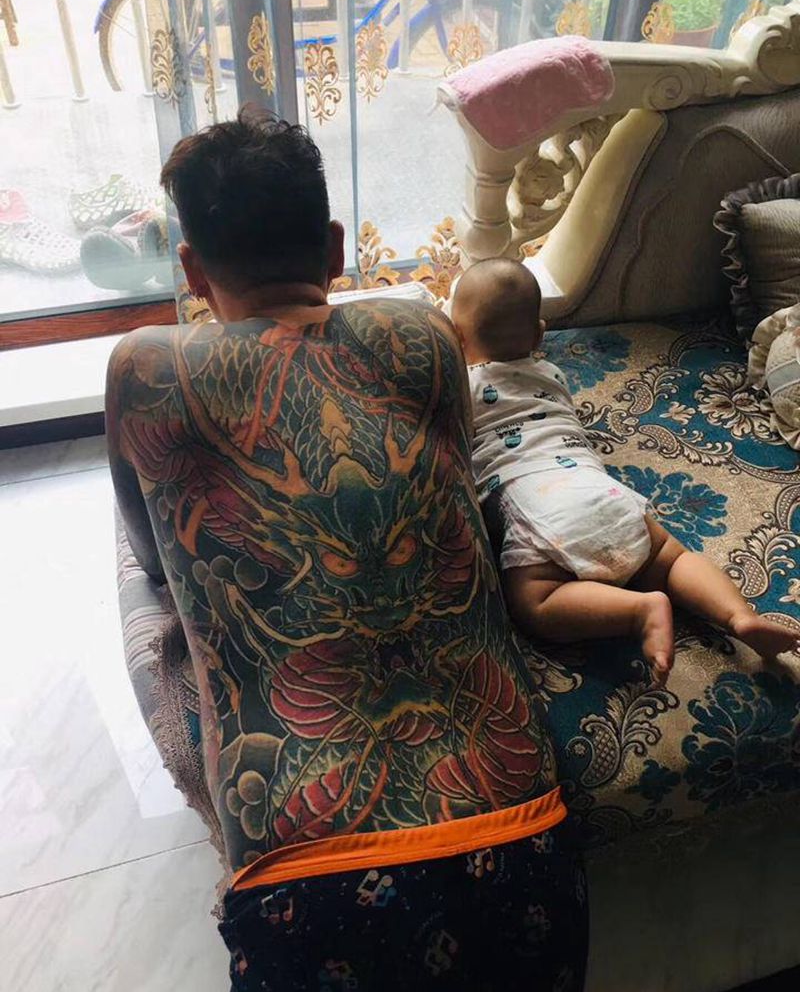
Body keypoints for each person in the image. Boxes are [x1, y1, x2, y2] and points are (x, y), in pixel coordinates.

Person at [105, 109, 588, 991]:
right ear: (334, 248)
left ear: (192, 271)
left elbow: (146, 551)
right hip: (520, 840)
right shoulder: (425, 334)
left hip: (302, 872)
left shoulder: (143, 368)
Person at [451, 258, 800, 684]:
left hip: (536, 506)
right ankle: (739, 616)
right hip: (600, 491)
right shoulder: (550, 373)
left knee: (534, 602)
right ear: (540, 335)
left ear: (457, 338)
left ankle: (640, 611)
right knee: (672, 558)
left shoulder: (461, 388)